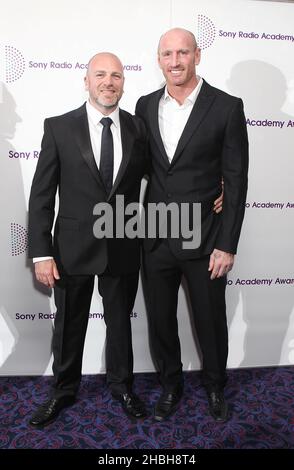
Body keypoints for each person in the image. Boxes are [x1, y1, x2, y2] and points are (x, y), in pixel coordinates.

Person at [28, 52, 149, 426]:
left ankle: (123, 387)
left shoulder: (138, 129)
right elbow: (42, 195)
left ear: (123, 83)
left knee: (120, 324)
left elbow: (163, 178)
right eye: (100, 74)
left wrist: (216, 185)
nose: (108, 82)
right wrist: (40, 253)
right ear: (86, 81)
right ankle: (63, 390)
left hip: (122, 246)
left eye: (116, 75)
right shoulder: (59, 127)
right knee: (69, 325)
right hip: (71, 249)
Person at [135, 28, 249, 422]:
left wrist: (227, 243)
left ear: (197, 55)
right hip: (156, 238)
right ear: (159, 59)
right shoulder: (145, 105)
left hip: (206, 238)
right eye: (167, 53)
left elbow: (235, 180)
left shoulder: (226, 107)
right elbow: (141, 169)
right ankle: (171, 385)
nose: (175, 61)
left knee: (210, 320)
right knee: (161, 321)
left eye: (183, 52)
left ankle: (216, 386)